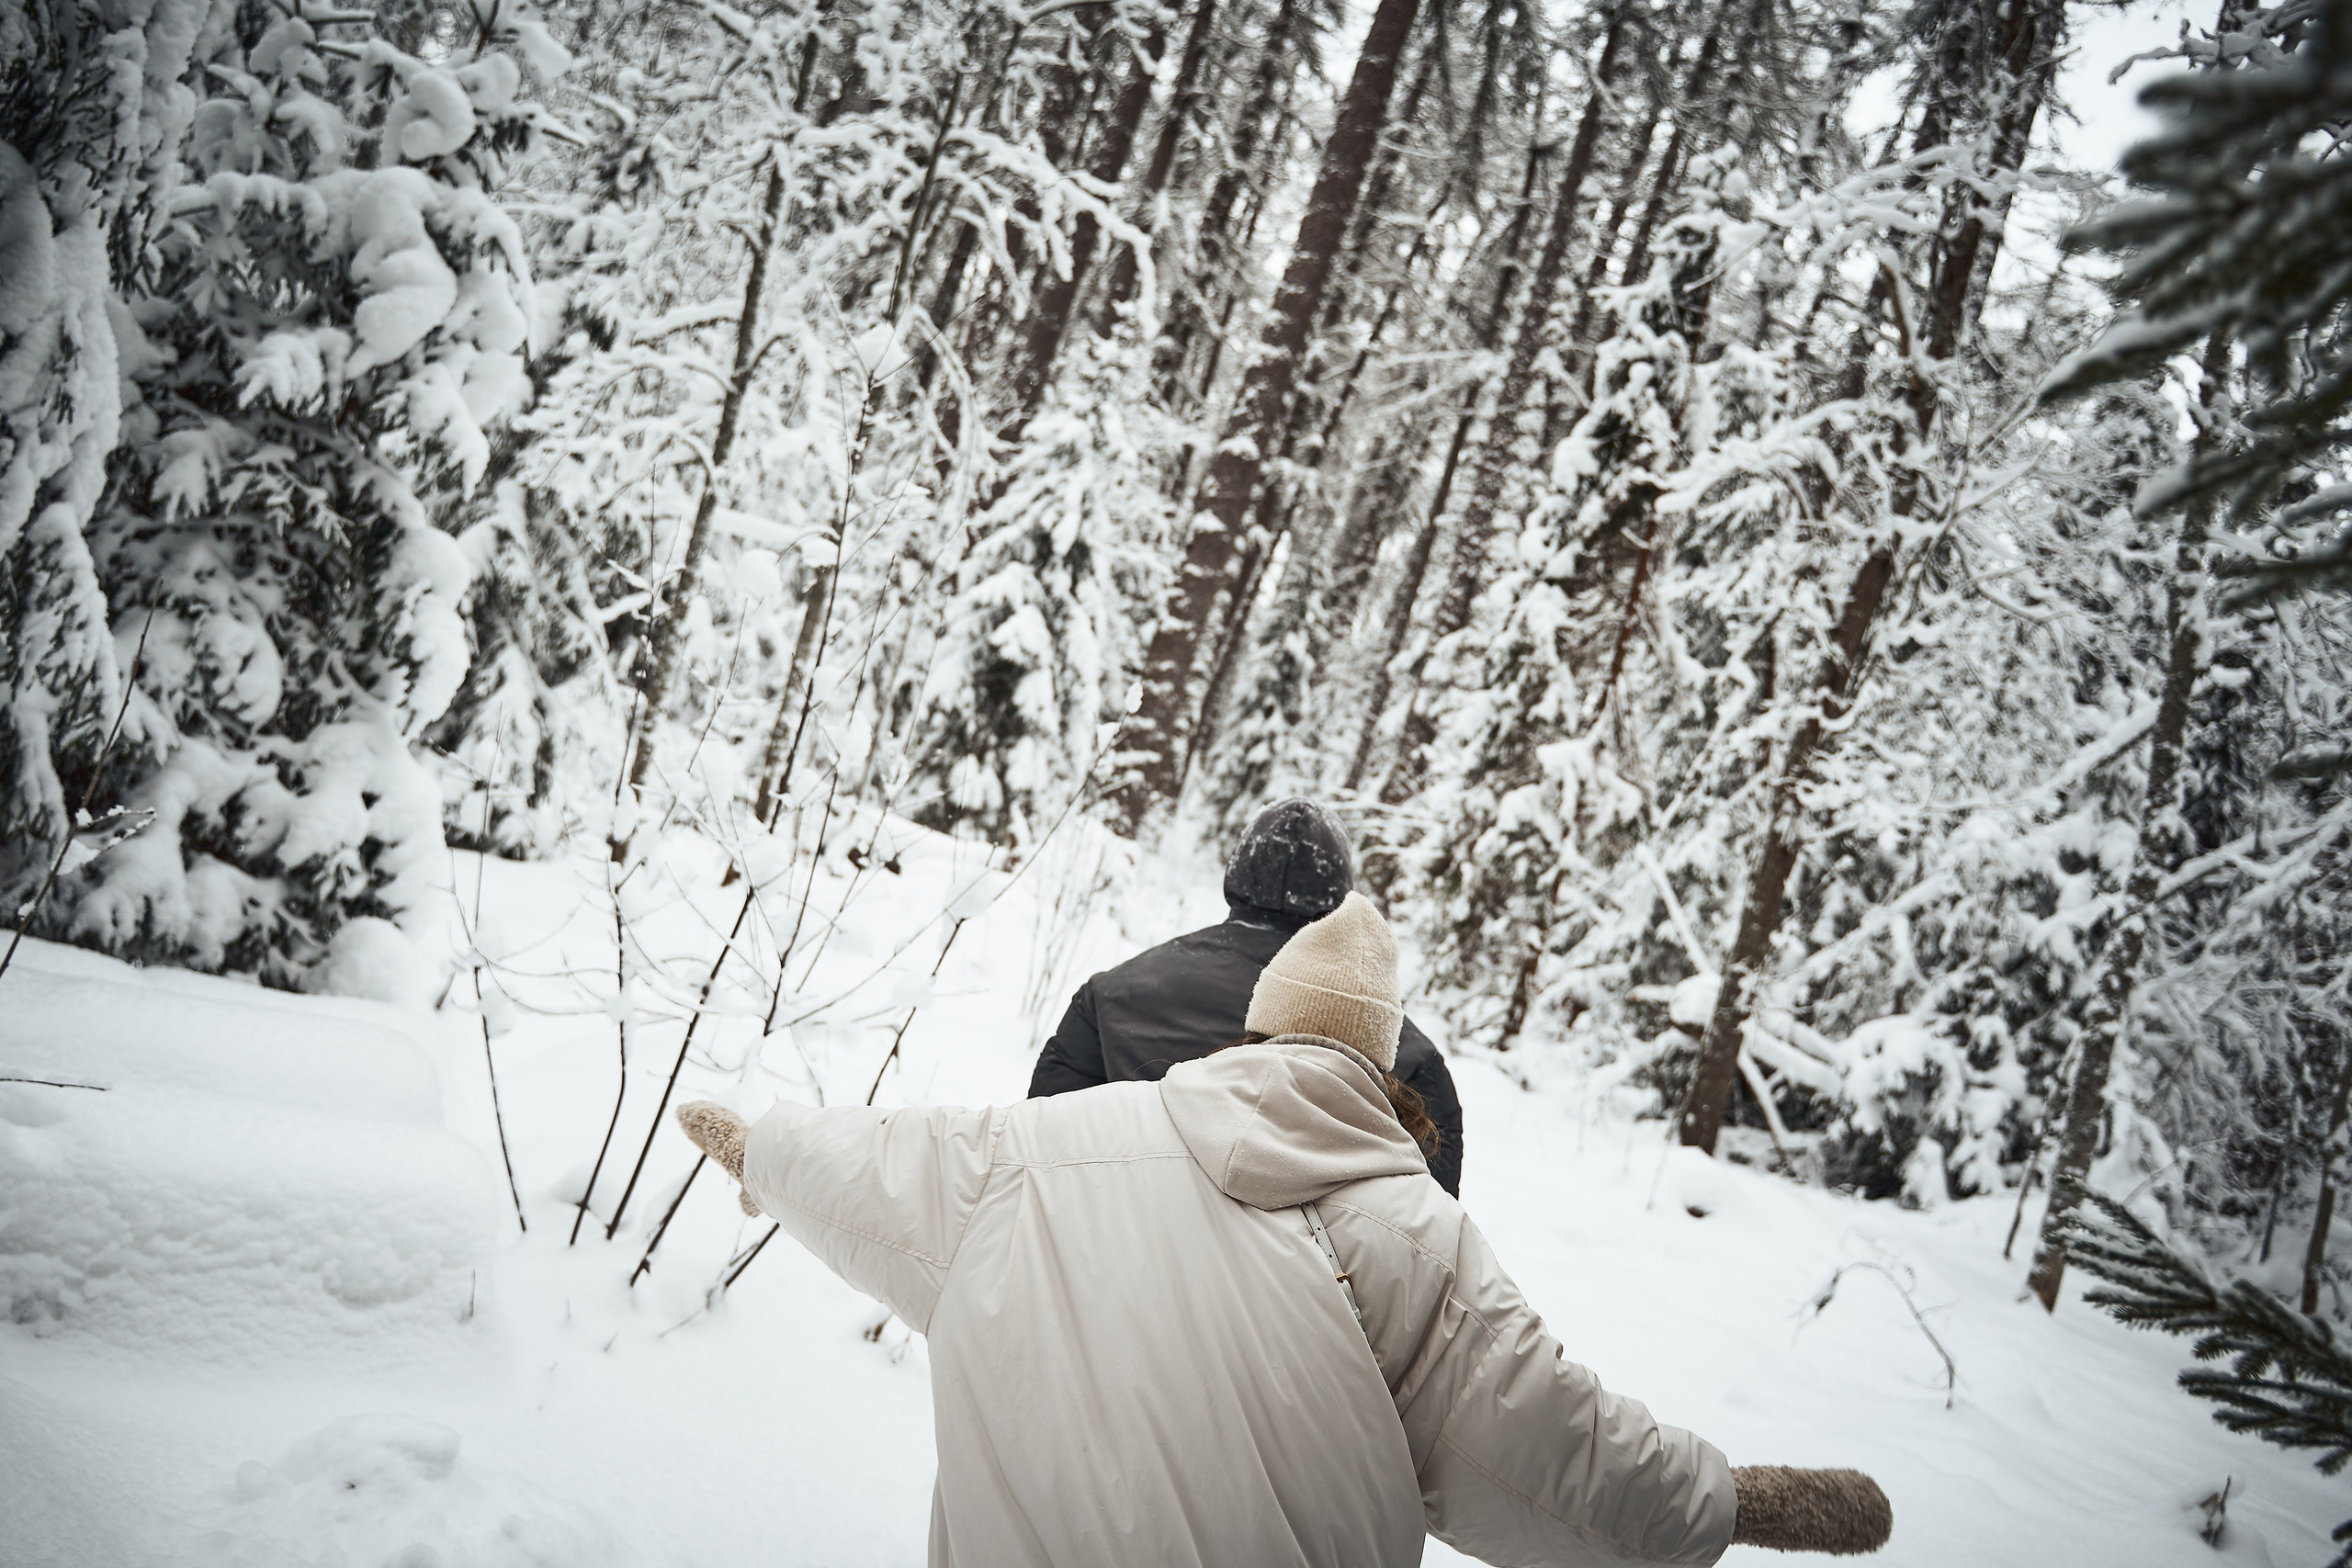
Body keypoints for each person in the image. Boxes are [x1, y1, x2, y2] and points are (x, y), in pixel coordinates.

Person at [677, 892, 1892, 1568]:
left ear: (1259, 1029)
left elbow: (869, 1163)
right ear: (1379, 1058)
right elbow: (1563, 1458)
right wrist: (1740, 1498)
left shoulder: (1041, 1148)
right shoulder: (1420, 1240)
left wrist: (759, 1148)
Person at [1027, 797, 1468, 1195]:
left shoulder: (1114, 992)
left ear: (1236, 874)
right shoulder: (1400, 1050)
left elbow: (1039, 1146)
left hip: (1121, 1241)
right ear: (1340, 898)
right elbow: (1424, 1223)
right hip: (1301, 1275)